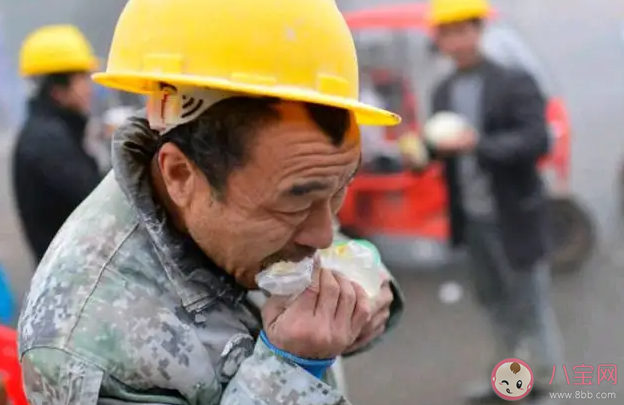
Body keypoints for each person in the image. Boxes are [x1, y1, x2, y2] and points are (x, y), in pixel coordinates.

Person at [18, 1, 405, 404]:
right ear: (181, 175)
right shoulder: (83, 349)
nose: (324, 236)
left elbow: (325, 230)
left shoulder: (274, 184)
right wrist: (290, 372)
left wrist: (361, 280)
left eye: (339, 191)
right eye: (297, 203)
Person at [423, 0, 563, 403]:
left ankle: (546, 387)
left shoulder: (514, 81)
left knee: (531, 307)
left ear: (478, 31)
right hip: (474, 221)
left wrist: (477, 145)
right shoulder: (444, 91)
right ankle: (509, 383)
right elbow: (441, 148)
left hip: (515, 216)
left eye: (462, 30)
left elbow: (536, 140)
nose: (455, 41)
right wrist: (424, 153)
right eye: (446, 33)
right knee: (495, 306)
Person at [12, 25, 102, 263]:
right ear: (57, 89)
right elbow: (97, 199)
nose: (89, 87)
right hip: (75, 278)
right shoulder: (47, 141)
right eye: (82, 78)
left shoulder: (51, 132)